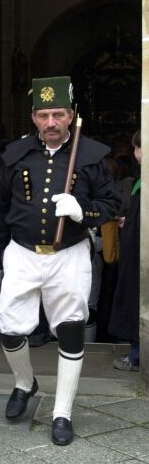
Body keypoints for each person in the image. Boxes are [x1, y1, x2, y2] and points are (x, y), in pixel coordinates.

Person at [0, 76, 120, 446]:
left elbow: (111, 205)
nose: (51, 123)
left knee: (71, 329)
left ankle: (62, 412)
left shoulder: (90, 156)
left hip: (69, 254)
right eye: (44, 115)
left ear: (72, 114)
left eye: (58, 114)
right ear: (33, 117)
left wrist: (83, 212)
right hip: (23, 252)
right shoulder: (15, 154)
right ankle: (25, 383)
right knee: (8, 326)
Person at [108, 129, 141, 372]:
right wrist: (128, 222)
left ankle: (136, 355)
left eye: (138, 148)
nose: (136, 154)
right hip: (135, 244)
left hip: (139, 256)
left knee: (136, 297)